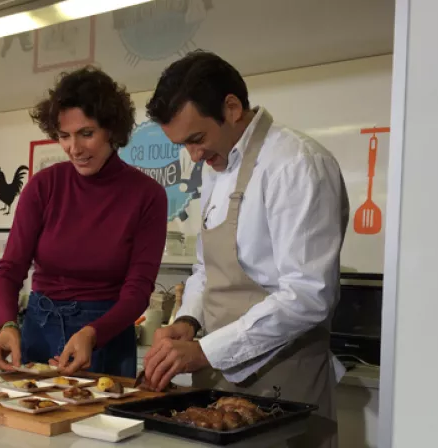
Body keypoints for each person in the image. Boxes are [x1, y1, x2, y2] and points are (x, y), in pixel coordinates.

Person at [141, 50, 348, 448]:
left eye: (197, 139)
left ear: (232, 107)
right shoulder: (217, 166)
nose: (194, 156)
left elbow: (308, 295)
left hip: (284, 384)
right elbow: (207, 269)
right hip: (218, 375)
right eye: (184, 145)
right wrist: (188, 321)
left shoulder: (296, 164)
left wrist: (205, 350)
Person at [0, 66, 168, 378]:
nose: (74, 148)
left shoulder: (147, 195)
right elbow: (9, 271)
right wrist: (6, 324)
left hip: (105, 336)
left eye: (87, 133)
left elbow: (138, 290)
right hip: (38, 332)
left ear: (112, 129)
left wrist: (92, 333)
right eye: (64, 136)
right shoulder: (43, 186)